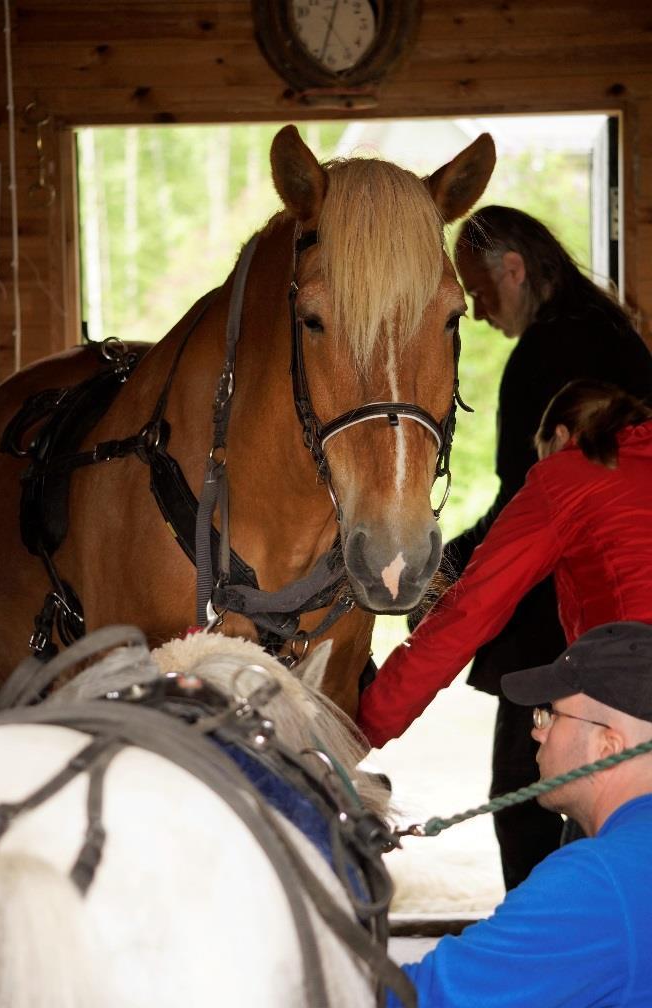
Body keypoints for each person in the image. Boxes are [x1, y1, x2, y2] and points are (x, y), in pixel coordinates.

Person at [425, 205, 652, 888]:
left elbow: (522, 506)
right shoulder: (620, 334)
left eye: (481, 292)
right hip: (619, 617)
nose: (481, 312)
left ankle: (543, 944)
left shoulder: (543, 356)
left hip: (557, 621)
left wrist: (448, 566)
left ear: (515, 270)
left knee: (523, 795)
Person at [358, 379, 652, 771]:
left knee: (600, 821)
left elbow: (471, 612)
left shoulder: (566, 476)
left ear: (561, 435)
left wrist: (363, 726)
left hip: (634, 700)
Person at [386, 620, 652, 1008]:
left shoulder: (596, 880)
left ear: (608, 748)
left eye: (550, 715)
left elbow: (414, 1000)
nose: (537, 732)